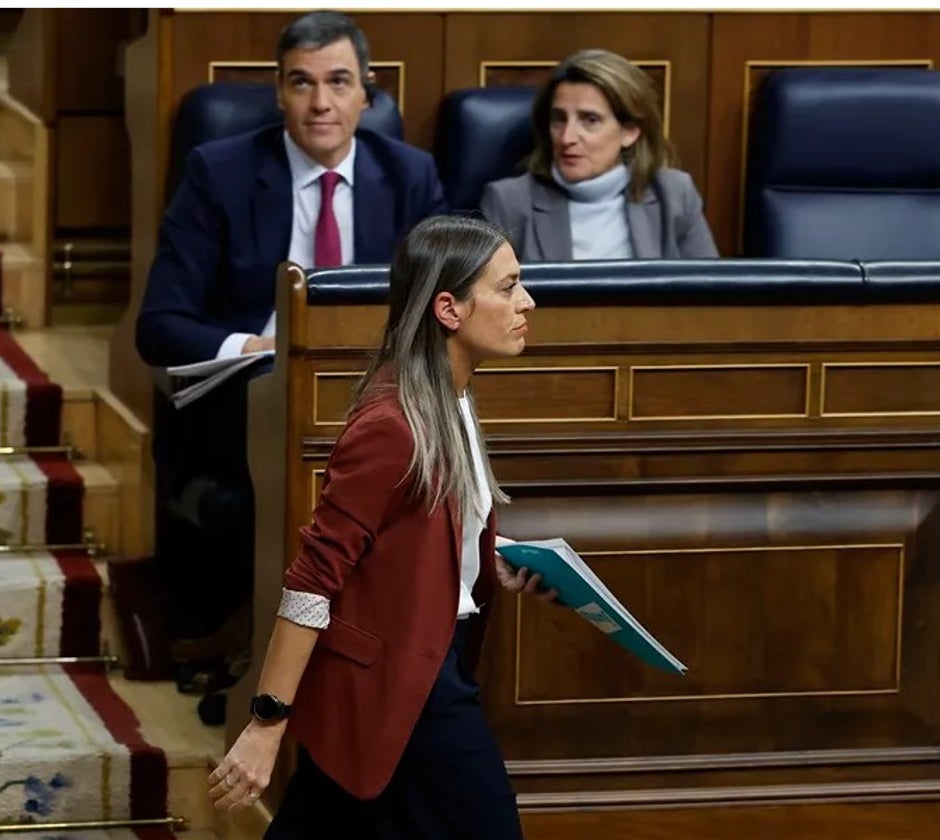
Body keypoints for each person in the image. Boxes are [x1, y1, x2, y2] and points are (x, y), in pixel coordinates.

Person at [207, 215, 558, 840]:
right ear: (448, 308)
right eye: (507, 288)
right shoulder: (391, 426)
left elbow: (416, 536)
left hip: (418, 667)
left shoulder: (452, 397)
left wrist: (493, 554)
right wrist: (266, 724)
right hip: (405, 681)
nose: (525, 302)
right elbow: (312, 581)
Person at [132, 10, 447, 698]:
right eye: (300, 84)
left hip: (374, 401)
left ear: (369, 91)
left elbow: (442, 307)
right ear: (277, 93)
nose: (321, 103)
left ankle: (346, 660)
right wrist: (253, 347)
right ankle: (298, 661)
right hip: (250, 404)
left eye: (338, 82)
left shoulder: (412, 176)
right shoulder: (220, 172)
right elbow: (158, 326)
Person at [480, 49, 718, 261]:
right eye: (559, 119)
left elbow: (710, 294)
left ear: (630, 131)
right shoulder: (509, 202)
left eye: (590, 120)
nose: (567, 137)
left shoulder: (674, 194)